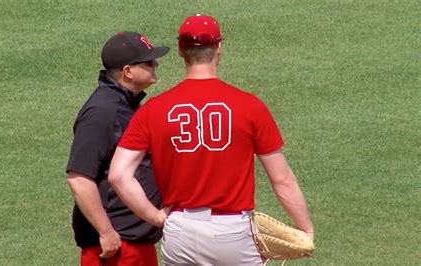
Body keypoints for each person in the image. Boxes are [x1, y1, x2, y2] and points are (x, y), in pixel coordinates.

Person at [108, 14, 314, 265]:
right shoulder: (250, 106)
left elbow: (118, 174)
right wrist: (306, 230)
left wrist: (157, 217)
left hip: (180, 232)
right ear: (219, 48)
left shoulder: (153, 109)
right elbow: (281, 180)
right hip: (232, 233)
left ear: (181, 52)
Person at [66, 31, 169, 266]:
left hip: (135, 243)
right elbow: (79, 178)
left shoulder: (126, 105)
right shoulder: (103, 112)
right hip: (117, 247)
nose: (156, 64)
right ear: (128, 71)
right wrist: (106, 232)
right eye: (149, 61)